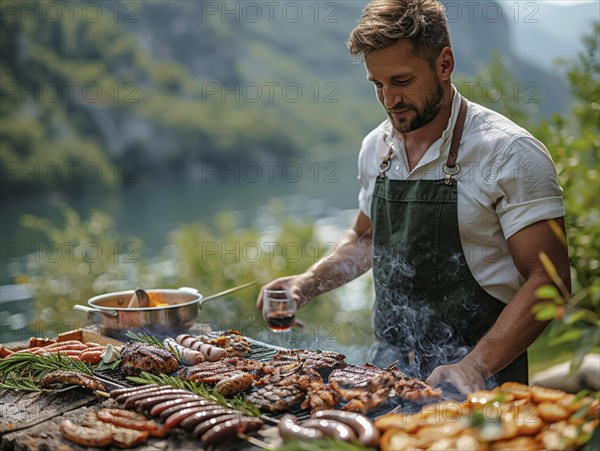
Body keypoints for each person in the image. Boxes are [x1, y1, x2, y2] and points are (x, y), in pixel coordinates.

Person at [257, 0, 570, 394]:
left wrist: (473, 366)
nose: (389, 99)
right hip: (384, 375)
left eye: (401, 81)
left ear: (444, 64)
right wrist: (306, 283)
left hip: (481, 381)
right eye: (377, 85)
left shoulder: (509, 153)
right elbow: (367, 240)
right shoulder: (376, 147)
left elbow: (550, 280)